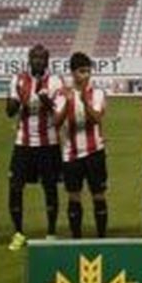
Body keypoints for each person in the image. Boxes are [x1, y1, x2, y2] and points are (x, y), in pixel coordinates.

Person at [5, 44, 66, 250]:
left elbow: (58, 113)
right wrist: (19, 98)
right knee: (15, 187)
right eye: (35, 57)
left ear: (47, 60)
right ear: (29, 59)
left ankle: (51, 231)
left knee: (49, 187)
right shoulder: (18, 79)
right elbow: (9, 111)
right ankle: (18, 232)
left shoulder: (56, 81)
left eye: (42, 58)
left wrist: (45, 99)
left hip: (48, 142)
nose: (38, 61)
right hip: (23, 143)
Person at [56, 52, 110, 238]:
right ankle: (76, 238)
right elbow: (55, 122)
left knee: (99, 195)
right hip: (71, 153)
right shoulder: (62, 94)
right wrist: (67, 104)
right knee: (74, 196)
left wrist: (84, 102)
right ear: (73, 73)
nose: (85, 75)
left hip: (95, 151)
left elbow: (97, 118)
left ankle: (101, 236)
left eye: (88, 71)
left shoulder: (98, 93)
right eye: (81, 71)